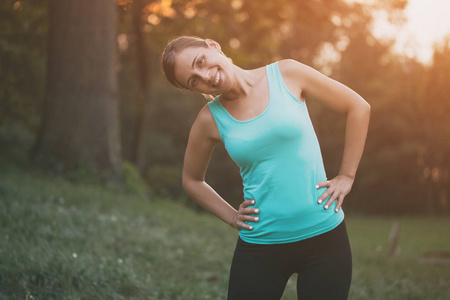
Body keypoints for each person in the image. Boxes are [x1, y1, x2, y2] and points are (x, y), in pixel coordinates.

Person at [161, 36, 370, 300]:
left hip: (325, 239)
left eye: (200, 62)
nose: (205, 76)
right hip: (261, 246)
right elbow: (191, 180)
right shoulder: (208, 119)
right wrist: (231, 216)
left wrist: (347, 176)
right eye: (194, 80)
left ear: (212, 45)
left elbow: (358, 107)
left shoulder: (288, 73)